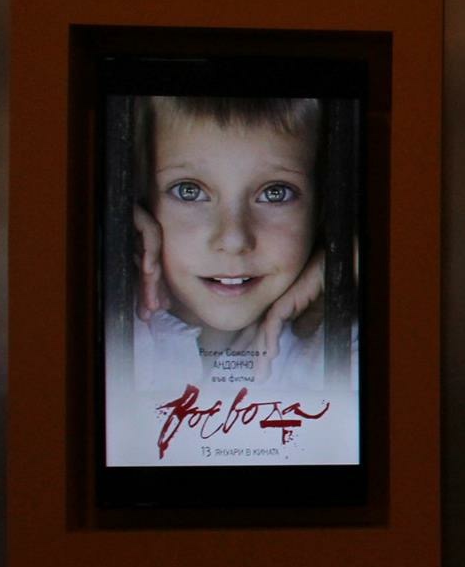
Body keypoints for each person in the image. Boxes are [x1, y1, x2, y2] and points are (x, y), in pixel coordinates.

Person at [123, 94, 338, 395]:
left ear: (321, 209)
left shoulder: (334, 351)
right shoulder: (110, 328)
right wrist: (112, 225)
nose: (234, 239)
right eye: (189, 191)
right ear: (141, 203)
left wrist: (346, 261)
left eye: (275, 193)